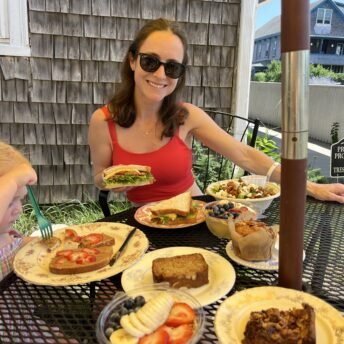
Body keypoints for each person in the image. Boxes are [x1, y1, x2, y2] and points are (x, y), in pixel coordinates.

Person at [88, 18, 344, 205]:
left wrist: (309, 187)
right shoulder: (102, 121)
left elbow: (244, 155)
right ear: (132, 61)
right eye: (150, 61)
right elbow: (100, 176)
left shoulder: (185, 116)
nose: (160, 74)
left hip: (195, 215)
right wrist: (108, 181)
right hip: (142, 223)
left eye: (172, 67)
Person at [0, 142, 37, 281]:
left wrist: (41, 242)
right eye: (10, 202)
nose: (18, 210)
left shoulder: (7, 235)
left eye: (20, 199)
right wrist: (12, 180)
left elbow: (16, 246)